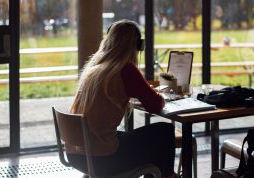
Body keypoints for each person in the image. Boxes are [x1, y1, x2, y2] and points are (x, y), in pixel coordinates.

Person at [67, 19, 177, 178]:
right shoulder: (125, 69)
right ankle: (168, 176)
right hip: (102, 158)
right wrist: (156, 93)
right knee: (164, 131)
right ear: (138, 45)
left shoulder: (94, 69)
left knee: (140, 139)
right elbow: (155, 105)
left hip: (76, 155)